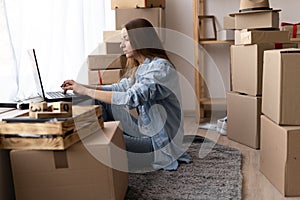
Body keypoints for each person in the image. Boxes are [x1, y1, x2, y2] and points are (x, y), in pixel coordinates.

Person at [61, 18, 191, 171]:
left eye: (126, 40)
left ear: (140, 40)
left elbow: (130, 98)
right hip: (145, 131)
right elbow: (120, 88)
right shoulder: (143, 66)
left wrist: (87, 91)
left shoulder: (160, 69)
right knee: (99, 106)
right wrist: (81, 86)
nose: (121, 45)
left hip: (158, 145)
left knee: (105, 140)